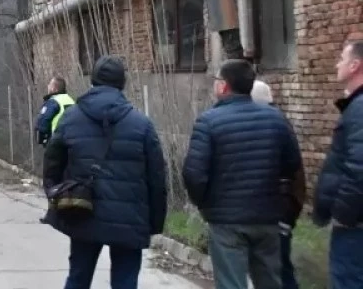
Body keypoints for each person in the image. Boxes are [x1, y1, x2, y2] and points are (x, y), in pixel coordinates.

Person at [42, 56, 167, 289]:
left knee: (78, 276)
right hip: (130, 216)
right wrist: (155, 222)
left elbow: (52, 162)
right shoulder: (142, 124)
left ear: (93, 81)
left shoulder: (71, 118)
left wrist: (54, 193)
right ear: (122, 84)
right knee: (125, 281)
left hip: (81, 208)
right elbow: (157, 178)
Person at [183, 59, 303, 289]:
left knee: (231, 283)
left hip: (226, 220)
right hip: (267, 216)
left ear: (224, 86)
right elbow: (292, 165)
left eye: (217, 80)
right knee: (270, 281)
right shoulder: (276, 119)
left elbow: (194, 174)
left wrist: (206, 205)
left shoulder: (208, 122)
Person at [312, 39, 363, 288]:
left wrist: (344, 214)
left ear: (355, 65)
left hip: (355, 228)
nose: (336, 64)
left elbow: (359, 167)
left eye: (342, 59)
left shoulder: (360, 108)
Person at [251, 79, 305, 289]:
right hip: (281, 210)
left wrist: (287, 213)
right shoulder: (279, 123)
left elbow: (291, 172)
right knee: (278, 267)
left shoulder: (273, 127)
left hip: (278, 211)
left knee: (279, 269)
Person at [36, 76, 75, 146]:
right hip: (72, 139)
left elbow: (43, 122)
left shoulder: (53, 102)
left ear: (54, 89)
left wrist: (42, 139)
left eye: (50, 85)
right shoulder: (71, 100)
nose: (48, 86)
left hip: (56, 141)